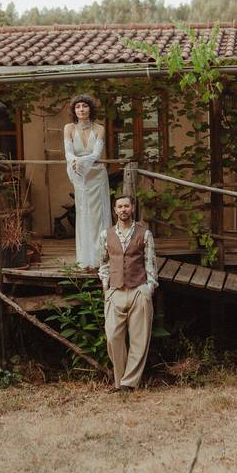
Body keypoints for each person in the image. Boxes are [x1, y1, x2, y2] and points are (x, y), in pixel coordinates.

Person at [97, 195, 158, 391]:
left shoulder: (145, 234)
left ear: (132, 208)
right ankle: (119, 379)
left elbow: (151, 263)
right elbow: (103, 263)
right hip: (115, 290)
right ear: (115, 210)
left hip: (138, 289)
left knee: (139, 339)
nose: (123, 209)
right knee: (113, 337)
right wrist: (106, 287)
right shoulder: (106, 235)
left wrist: (149, 288)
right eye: (119, 206)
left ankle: (128, 384)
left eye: (126, 206)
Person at [63, 95, 111, 268]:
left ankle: (102, 257)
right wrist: (74, 162)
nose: (81, 109)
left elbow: (96, 154)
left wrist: (80, 162)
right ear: (74, 110)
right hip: (79, 175)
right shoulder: (68, 128)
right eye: (78, 107)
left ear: (90, 108)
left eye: (84, 106)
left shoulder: (99, 128)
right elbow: (68, 152)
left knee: (99, 215)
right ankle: (86, 257)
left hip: (97, 174)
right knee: (83, 214)